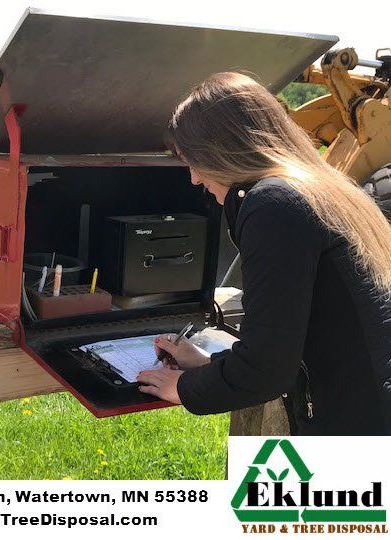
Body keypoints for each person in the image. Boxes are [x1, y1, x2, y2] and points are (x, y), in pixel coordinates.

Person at [136, 72, 391, 436]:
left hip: (359, 431)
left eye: (194, 162)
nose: (194, 178)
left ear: (221, 151)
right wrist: (209, 365)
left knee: (269, 473)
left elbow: (266, 370)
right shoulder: (319, 188)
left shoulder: (273, 205)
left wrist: (182, 388)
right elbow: (287, 339)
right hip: (369, 411)